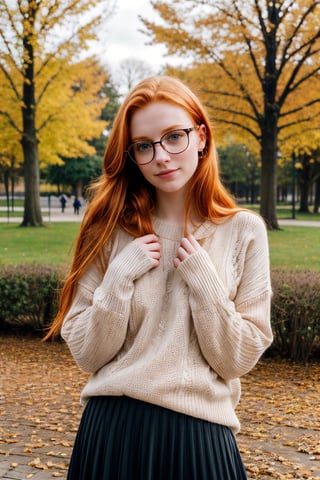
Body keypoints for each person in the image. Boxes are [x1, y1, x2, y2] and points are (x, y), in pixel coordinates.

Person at [45, 75, 273, 479]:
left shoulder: (244, 231)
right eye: (144, 146)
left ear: (201, 136)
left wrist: (204, 283)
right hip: (110, 433)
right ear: (132, 154)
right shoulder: (110, 227)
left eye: (174, 137)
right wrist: (118, 278)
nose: (161, 157)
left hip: (200, 437)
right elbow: (87, 353)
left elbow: (235, 358)